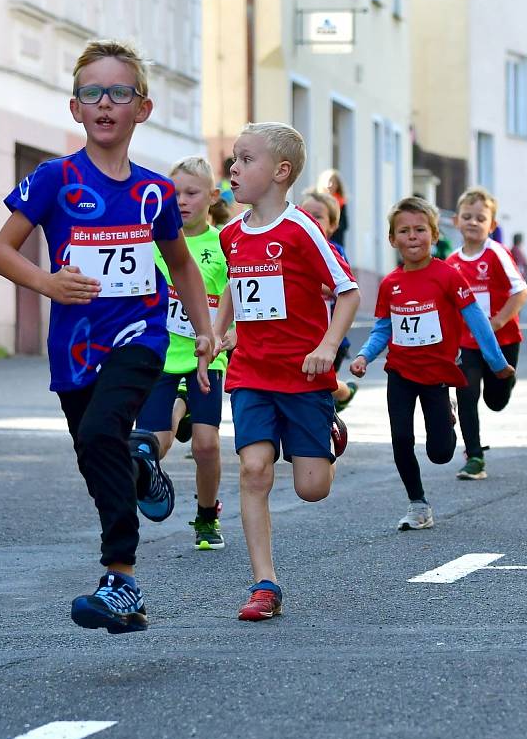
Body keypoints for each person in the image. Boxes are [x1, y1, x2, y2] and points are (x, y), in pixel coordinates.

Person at [0, 39, 214, 635]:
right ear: (75, 108)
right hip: (74, 347)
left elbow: (182, 265)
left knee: (98, 430)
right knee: (95, 450)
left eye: (119, 92)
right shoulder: (54, 180)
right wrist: (48, 283)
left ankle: (120, 575)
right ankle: (139, 471)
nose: (105, 103)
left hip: (141, 334)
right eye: (93, 93)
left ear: (143, 107)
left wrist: (207, 332)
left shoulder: (154, 192)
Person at [213, 122, 360, 621]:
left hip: (302, 375)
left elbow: (348, 291)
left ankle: (326, 427)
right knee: (253, 471)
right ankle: (264, 585)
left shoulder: (301, 230)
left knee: (311, 488)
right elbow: (235, 287)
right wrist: (219, 331)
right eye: (233, 159)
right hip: (251, 373)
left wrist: (327, 345)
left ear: (280, 172)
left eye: (245, 160)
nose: (233, 168)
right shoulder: (231, 234)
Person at [350, 196, 515, 531]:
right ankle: (418, 504)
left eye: (420, 230)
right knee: (400, 437)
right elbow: (384, 327)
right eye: (405, 231)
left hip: (437, 373)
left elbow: (477, 321)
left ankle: (448, 417)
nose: (413, 237)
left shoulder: (448, 276)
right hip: (400, 371)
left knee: (440, 453)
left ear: (435, 235)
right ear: (393, 240)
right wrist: (365, 355)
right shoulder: (390, 284)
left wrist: (496, 362)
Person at [136, 156, 229, 550]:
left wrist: (227, 336)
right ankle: (150, 476)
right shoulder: (153, 240)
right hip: (160, 355)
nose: (182, 202)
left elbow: (235, 297)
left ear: (212, 196)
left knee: (206, 445)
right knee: (155, 443)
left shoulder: (224, 244)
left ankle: (207, 516)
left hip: (207, 356)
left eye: (192, 193)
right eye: (174, 195)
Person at [446, 187, 527, 480]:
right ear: (456, 221)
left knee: (495, 401)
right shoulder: (452, 263)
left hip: (503, 340)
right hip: (467, 344)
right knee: (467, 395)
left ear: (491, 225)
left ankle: (508, 380)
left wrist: (498, 321)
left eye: (480, 218)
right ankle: (475, 457)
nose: (473, 222)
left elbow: (521, 291)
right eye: (467, 216)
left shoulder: (496, 253)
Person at [300, 190, 357, 411]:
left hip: (331, 337)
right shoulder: (292, 249)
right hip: (300, 334)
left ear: (333, 226)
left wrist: (303, 283)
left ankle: (343, 395)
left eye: (318, 216)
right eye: (306, 215)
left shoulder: (335, 252)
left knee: (321, 386)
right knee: (308, 387)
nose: (311, 221)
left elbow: (341, 287)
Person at [316, 168, 348, 249]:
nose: (330, 185)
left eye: (333, 182)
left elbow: (345, 224)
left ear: (337, 185)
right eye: (328, 181)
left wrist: (332, 226)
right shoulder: (315, 201)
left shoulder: (341, 202)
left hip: (335, 240)